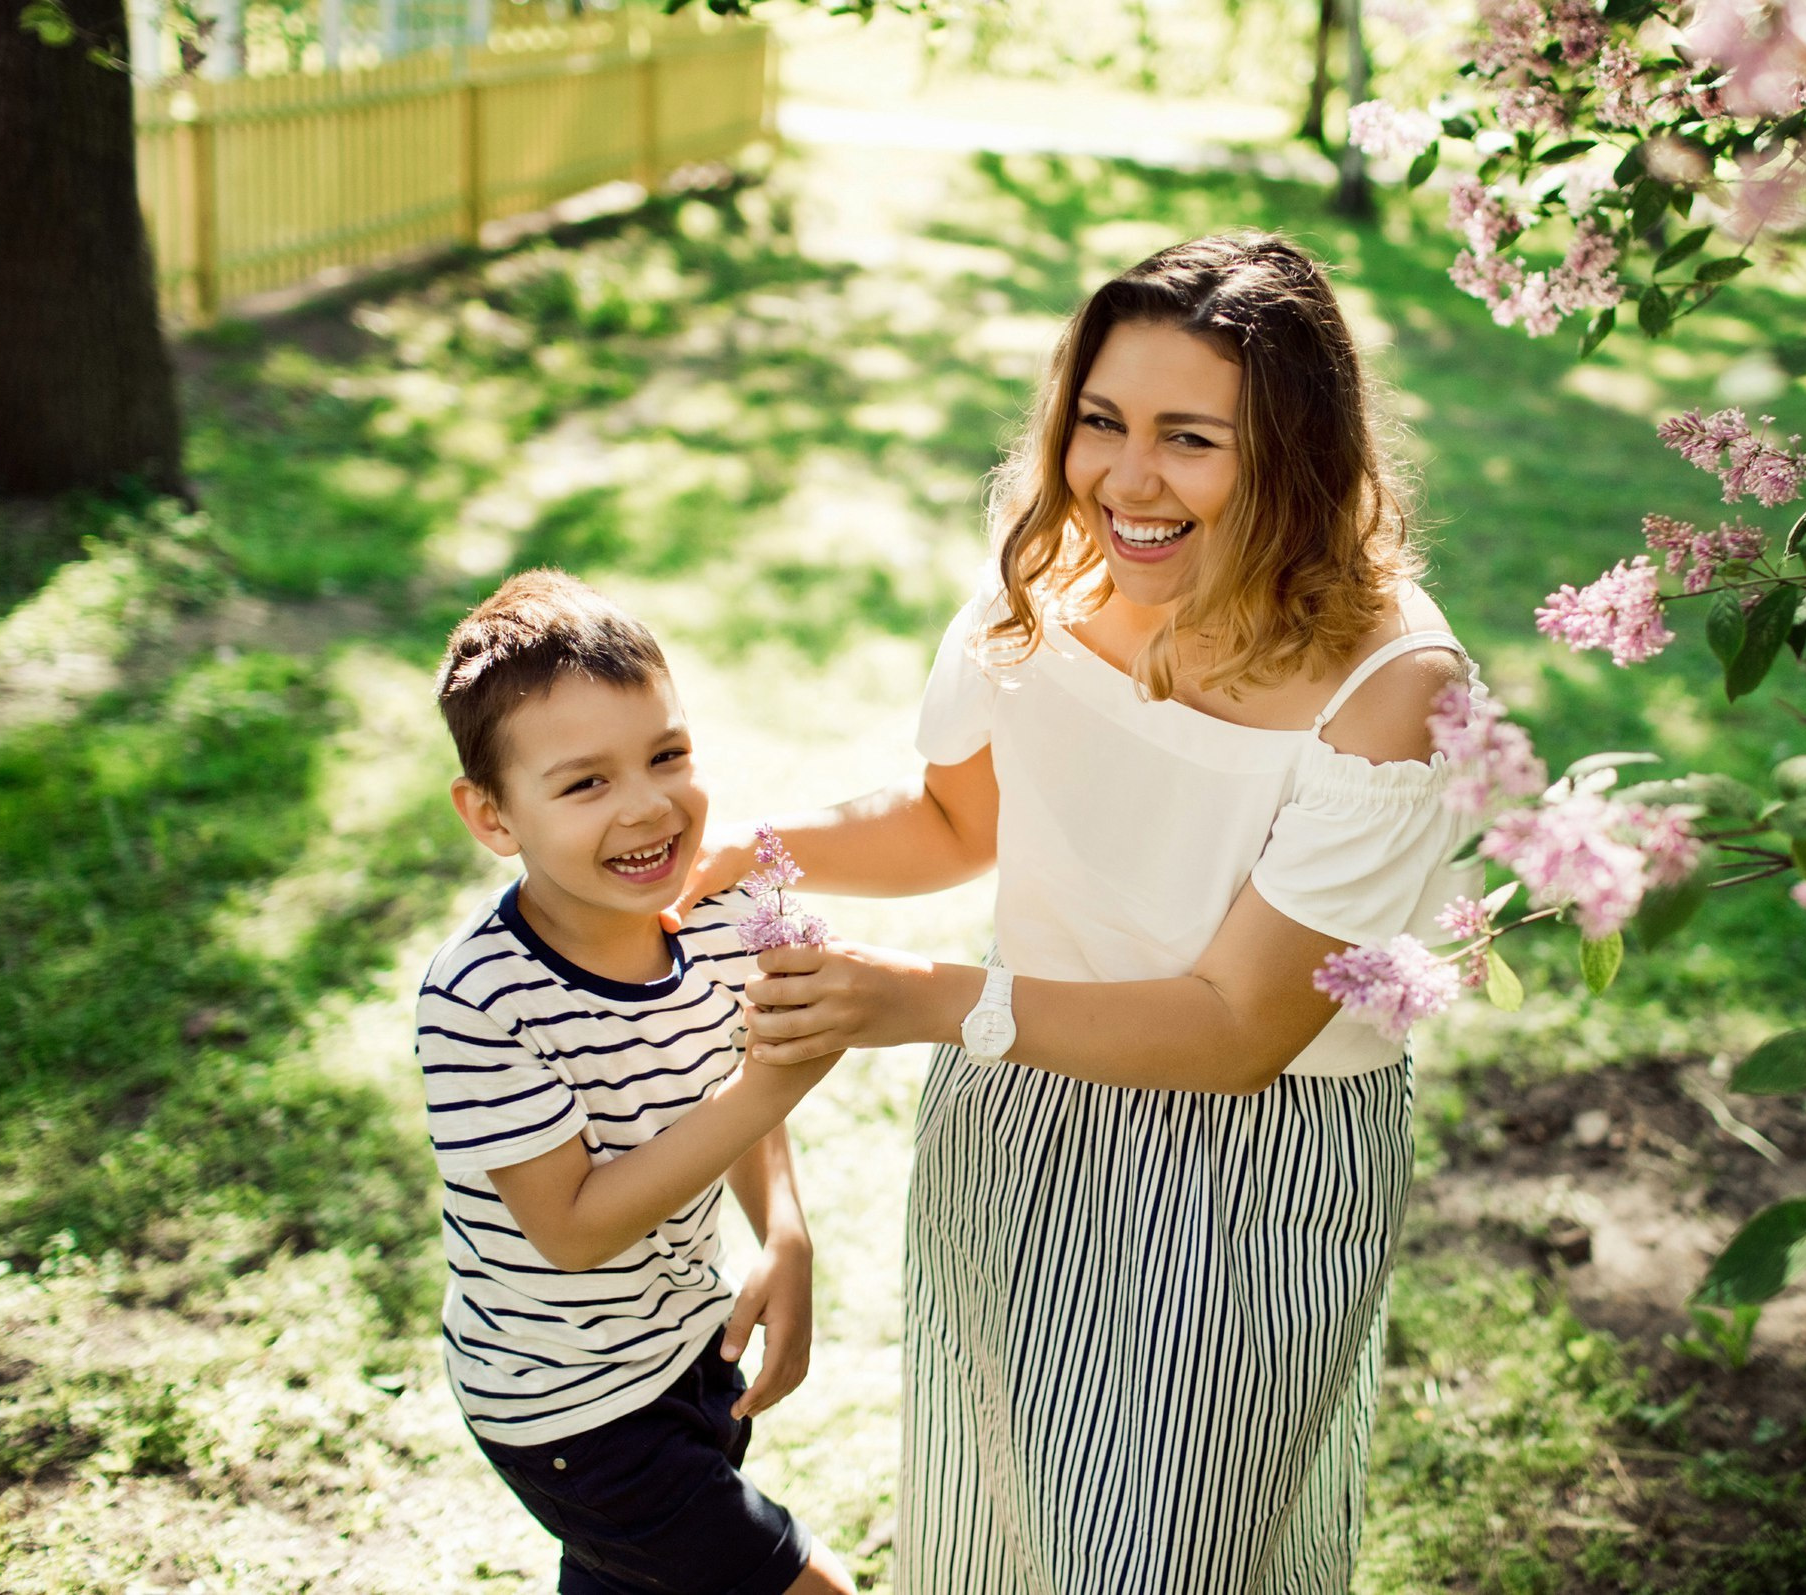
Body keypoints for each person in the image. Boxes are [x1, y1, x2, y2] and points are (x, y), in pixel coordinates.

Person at [673, 235, 1481, 1593]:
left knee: (1160, 1557)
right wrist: (746, 851)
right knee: (1008, 1523)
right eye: (1100, 421)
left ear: (1295, 454)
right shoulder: (1043, 574)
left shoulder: (1390, 682)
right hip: (1021, 1109)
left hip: (1253, 1173)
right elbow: (958, 824)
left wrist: (929, 998)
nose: (1125, 478)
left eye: (1191, 438)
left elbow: (1237, 1029)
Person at [416, 569, 856, 1595]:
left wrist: (784, 1232)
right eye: (585, 782)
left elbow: (728, 1078)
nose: (649, 805)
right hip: (566, 1406)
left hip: (683, 1348)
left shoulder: (716, 909)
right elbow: (570, 1228)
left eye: (667, 754)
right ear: (492, 817)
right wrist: (769, 1088)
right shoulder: (481, 999)